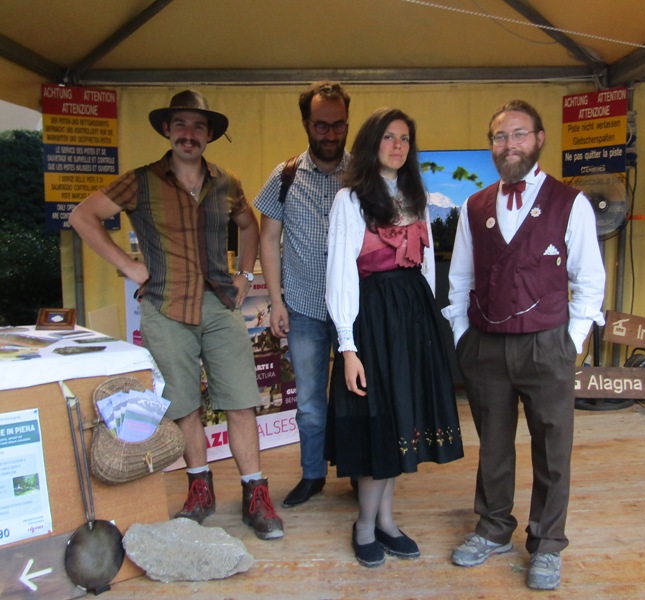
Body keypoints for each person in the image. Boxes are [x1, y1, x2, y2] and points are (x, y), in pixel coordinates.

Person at [69, 90, 283, 540]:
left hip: (220, 304)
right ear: (167, 130)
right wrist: (128, 265)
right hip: (165, 307)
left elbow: (249, 225)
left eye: (198, 126)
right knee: (184, 406)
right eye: (181, 124)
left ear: (209, 135)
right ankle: (200, 491)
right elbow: (84, 216)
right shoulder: (140, 181)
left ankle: (255, 494)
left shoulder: (226, 182)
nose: (189, 134)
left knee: (241, 401)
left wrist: (246, 273)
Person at [442, 99, 605, 589]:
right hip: (487, 345)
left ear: (538, 139)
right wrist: (463, 335)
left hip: (547, 345)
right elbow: (460, 278)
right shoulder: (475, 206)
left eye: (518, 134)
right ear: (491, 145)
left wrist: (569, 342)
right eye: (499, 136)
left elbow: (589, 281)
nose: (508, 144)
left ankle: (547, 543)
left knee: (553, 448)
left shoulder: (570, 203)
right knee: (493, 444)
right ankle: (493, 528)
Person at [325, 107, 464, 568]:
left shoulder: (414, 196)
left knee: (401, 419)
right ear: (372, 143)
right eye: (388, 137)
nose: (398, 145)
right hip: (372, 320)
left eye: (404, 138)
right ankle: (364, 526)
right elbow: (340, 274)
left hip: (411, 318)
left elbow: (424, 266)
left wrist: (427, 323)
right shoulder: (350, 200)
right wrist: (348, 346)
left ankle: (386, 520)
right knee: (379, 423)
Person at [255, 81, 351, 508]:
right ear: (305, 124)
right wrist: (276, 301)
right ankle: (313, 474)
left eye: (338, 125)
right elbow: (268, 238)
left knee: (355, 397)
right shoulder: (285, 175)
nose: (330, 134)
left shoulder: (362, 173)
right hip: (304, 307)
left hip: (353, 310)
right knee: (310, 402)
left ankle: (358, 473)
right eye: (321, 125)